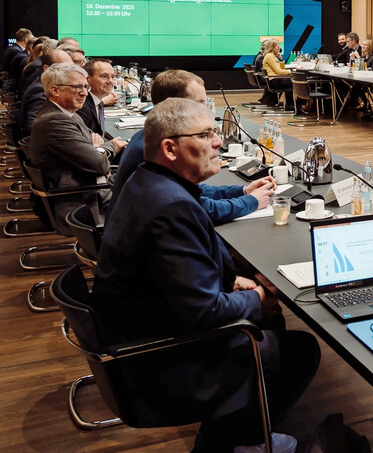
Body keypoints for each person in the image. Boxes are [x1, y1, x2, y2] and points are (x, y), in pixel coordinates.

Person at [92, 98, 319, 453]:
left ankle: (243, 425)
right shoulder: (172, 207)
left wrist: (230, 284)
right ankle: (231, 440)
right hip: (160, 357)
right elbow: (202, 313)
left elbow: (172, 277)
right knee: (301, 349)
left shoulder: (150, 181)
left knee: (270, 324)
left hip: (142, 323)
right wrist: (259, 296)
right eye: (207, 134)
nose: (218, 142)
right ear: (170, 148)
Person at [112, 69, 275, 225]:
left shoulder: (147, 137)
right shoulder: (153, 151)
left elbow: (192, 190)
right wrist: (252, 201)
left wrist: (243, 191)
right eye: (199, 104)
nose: (206, 110)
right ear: (173, 105)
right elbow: (203, 210)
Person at [29, 63, 113, 225]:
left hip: (85, 187)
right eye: (77, 87)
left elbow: (96, 142)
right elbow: (99, 164)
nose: (84, 93)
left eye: (85, 87)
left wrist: (96, 149)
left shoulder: (67, 113)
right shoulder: (55, 120)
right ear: (55, 90)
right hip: (77, 200)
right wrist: (101, 150)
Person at [76, 58, 127, 159]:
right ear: (88, 79)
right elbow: (88, 146)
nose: (110, 81)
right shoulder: (82, 106)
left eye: (113, 76)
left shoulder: (97, 102)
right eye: (104, 76)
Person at [17, 48, 73, 138]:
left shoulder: (44, 84)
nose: (70, 72)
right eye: (64, 68)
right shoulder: (40, 90)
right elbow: (33, 127)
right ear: (46, 69)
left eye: (71, 67)